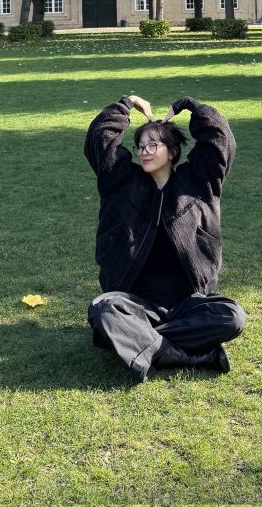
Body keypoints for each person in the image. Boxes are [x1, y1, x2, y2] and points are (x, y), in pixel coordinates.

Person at [85, 94, 246, 383]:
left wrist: (190, 105)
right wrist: (126, 104)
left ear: (171, 151)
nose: (144, 151)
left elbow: (221, 140)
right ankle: (187, 353)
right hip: (137, 302)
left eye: (152, 145)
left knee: (232, 316)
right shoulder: (122, 183)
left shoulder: (199, 184)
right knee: (103, 310)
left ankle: (142, 343)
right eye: (140, 146)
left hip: (187, 301)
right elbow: (100, 140)